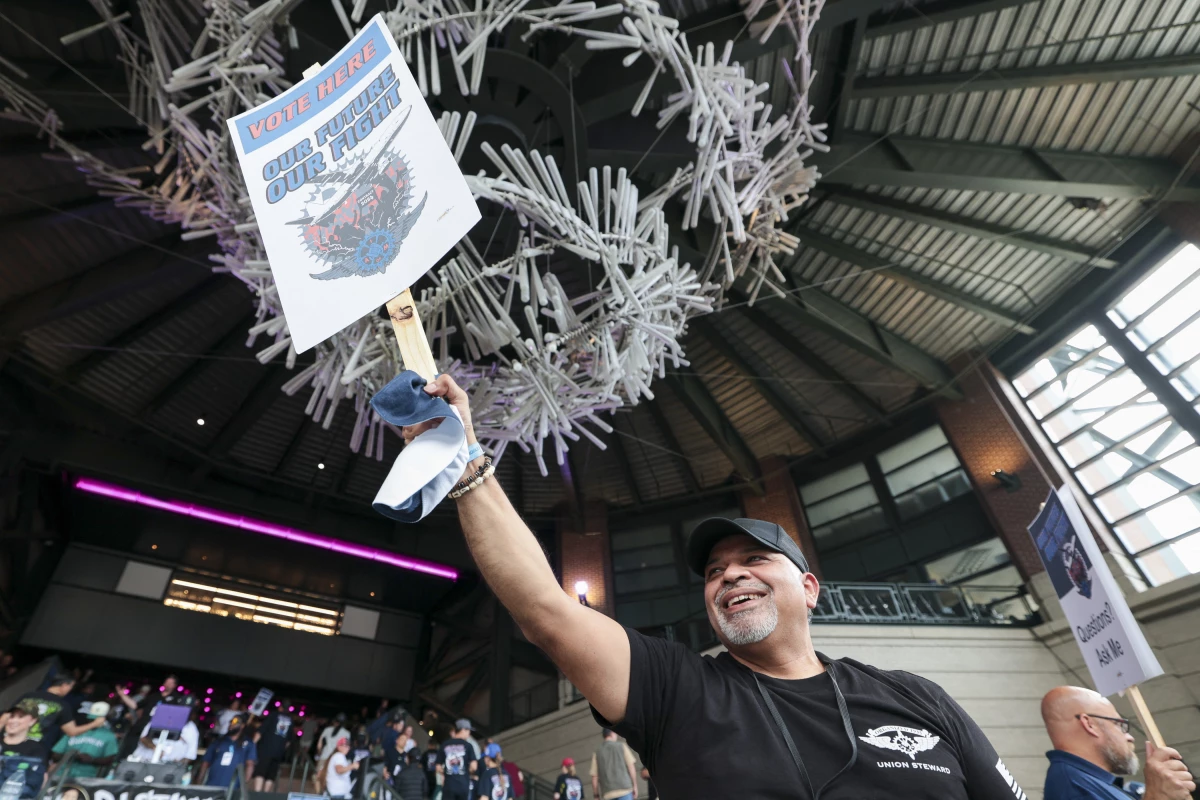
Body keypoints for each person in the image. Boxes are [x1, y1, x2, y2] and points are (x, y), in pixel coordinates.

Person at [405, 374, 1032, 800]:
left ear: (810, 588)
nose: (729, 573)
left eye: (754, 559)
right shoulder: (677, 689)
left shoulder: (916, 700)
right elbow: (545, 610)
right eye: (713, 571)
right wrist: (466, 463)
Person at [1041, 686, 1194, 800]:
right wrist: (1156, 796)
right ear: (1090, 725)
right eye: (1119, 724)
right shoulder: (1074, 788)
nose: (1130, 737)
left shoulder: (1085, 782)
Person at [12, 674, 104, 749]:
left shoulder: (29, 695)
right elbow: (72, 731)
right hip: (33, 749)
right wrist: (95, 724)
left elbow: (5, 718)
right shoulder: (62, 705)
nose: (70, 689)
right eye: (70, 686)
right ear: (64, 685)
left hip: (10, 741)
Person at [50, 702, 119, 779]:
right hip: (61, 774)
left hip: (86, 777)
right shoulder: (76, 731)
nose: (93, 721)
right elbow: (55, 755)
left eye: (96, 719)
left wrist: (92, 760)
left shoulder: (109, 736)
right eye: (91, 718)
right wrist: (72, 756)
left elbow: (109, 760)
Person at [0, 699, 49, 799]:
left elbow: (40, 780)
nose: (13, 720)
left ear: (32, 721)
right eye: (12, 716)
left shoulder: (36, 749)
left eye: (21, 717)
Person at [197, 714, 256, 790]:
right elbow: (205, 762)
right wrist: (199, 782)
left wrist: (243, 785)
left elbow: (250, 765)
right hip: (212, 785)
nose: (231, 724)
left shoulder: (248, 743)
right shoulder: (218, 741)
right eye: (231, 721)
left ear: (242, 725)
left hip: (233, 788)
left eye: (235, 722)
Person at [131, 705, 199, 764]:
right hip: (143, 760)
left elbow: (190, 755)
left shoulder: (191, 728)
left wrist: (176, 766)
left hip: (167, 768)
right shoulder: (160, 718)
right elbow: (143, 738)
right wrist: (155, 748)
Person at [252, 708, 293, 792]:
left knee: (260, 771)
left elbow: (260, 731)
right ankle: (265, 795)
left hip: (266, 749)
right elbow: (289, 741)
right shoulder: (290, 720)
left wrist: (251, 745)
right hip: (278, 752)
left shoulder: (273, 715)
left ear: (280, 707)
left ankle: (257, 794)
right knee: (271, 774)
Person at [590, 730, 637, 800]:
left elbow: (594, 777)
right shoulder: (622, 746)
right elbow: (631, 767)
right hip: (625, 790)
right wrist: (635, 786)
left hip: (608, 793)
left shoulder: (597, 753)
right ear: (612, 734)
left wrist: (596, 795)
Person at [436, 722, 478, 800]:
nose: (469, 734)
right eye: (468, 731)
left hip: (448, 785)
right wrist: (465, 770)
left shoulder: (444, 745)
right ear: (463, 730)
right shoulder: (468, 746)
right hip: (463, 786)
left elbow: (438, 767)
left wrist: (446, 771)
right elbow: (474, 767)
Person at [315, 713, 350, 793]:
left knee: (319, 777)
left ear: (335, 721)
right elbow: (346, 747)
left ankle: (318, 795)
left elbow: (319, 744)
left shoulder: (327, 729)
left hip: (324, 757)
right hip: (336, 760)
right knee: (332, 779)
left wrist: (319, 753)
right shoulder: (347, 733)